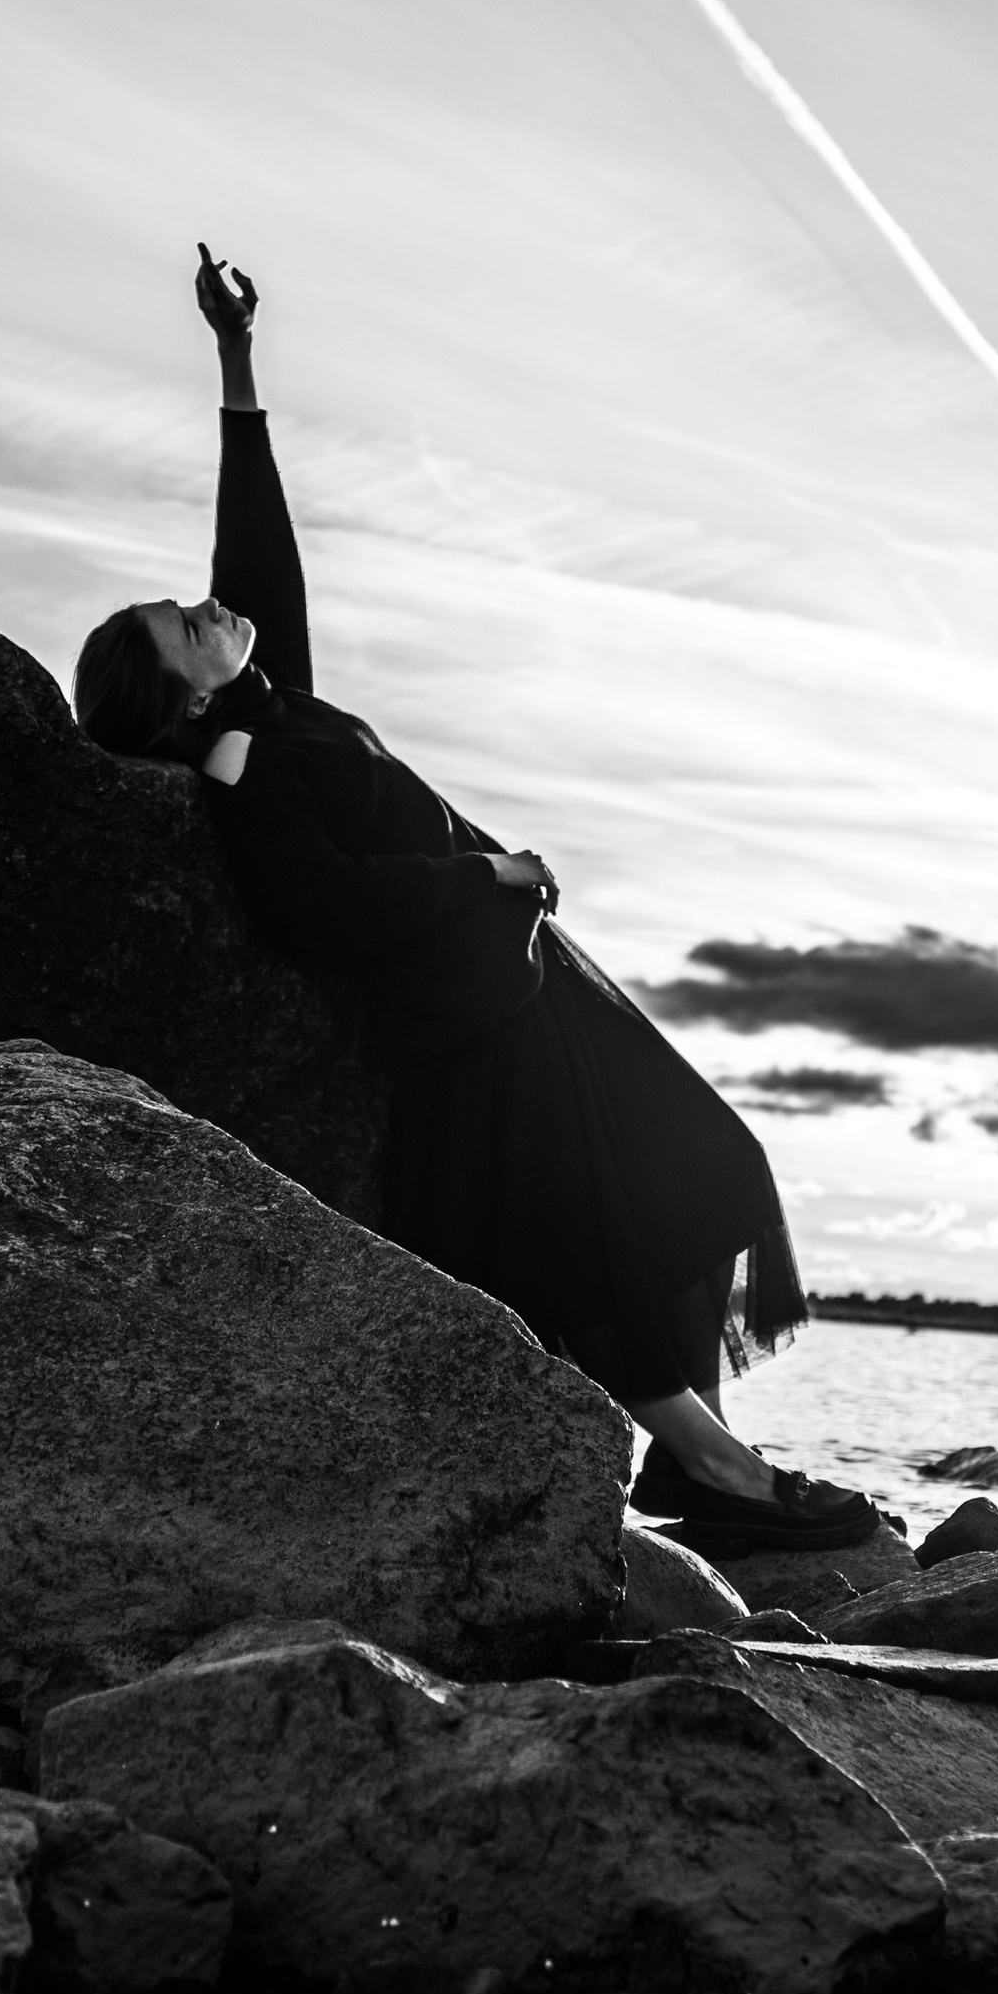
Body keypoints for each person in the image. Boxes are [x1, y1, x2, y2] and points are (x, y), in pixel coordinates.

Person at [73, 247, 877, 1548]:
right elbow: (320, 908)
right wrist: (482, 873)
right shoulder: (243, 767)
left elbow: (255, 535)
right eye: (188, 621)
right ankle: (717, 1474)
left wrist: (234, 354)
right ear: (189, 695)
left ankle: (702, 1460)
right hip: (472, 1024)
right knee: (595, 1239)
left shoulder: (287, 706)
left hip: (531, 979)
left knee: (707, 1153)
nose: (211, 602)